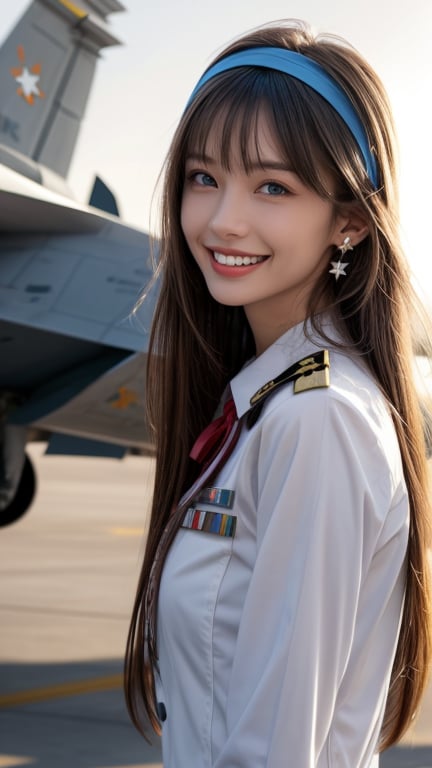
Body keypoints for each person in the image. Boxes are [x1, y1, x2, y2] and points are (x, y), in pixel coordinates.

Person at [125, 20, 432, 767]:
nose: (224, 219)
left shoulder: (318, 420)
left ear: (351, 222)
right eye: (204, 177)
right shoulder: (267, 405)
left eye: (273, 186)